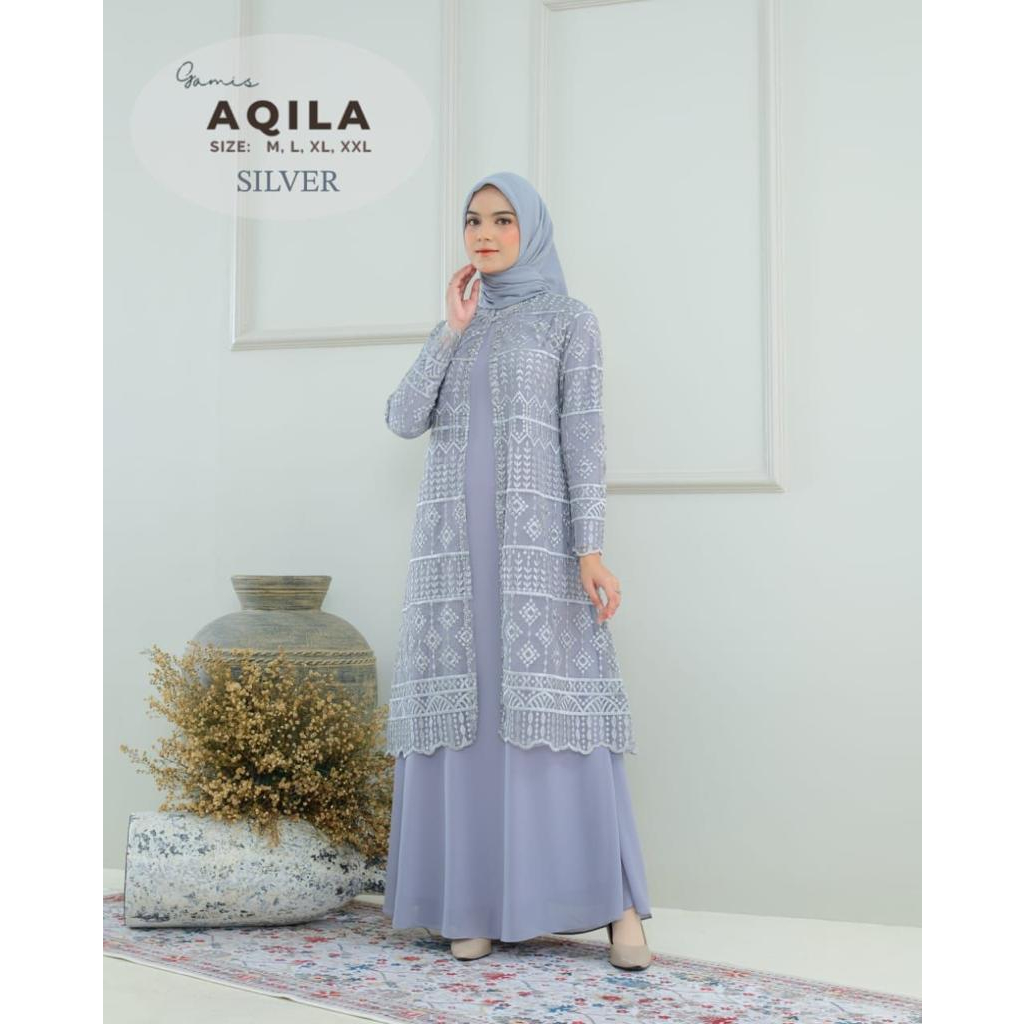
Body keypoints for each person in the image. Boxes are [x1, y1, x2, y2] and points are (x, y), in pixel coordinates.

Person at [381, 171, 652, 969]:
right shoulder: (461, 325)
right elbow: (402, 419)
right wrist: (449, 331)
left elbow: (585, 437)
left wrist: (589, 549)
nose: (485, 234)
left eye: (502, 220)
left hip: (537, 553)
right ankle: (472, 905)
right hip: (453, 557)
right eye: (473, 220)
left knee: (559, 726)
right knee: (467, 727)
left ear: (530, 230)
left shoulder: (569, 320)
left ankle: (620, 911)